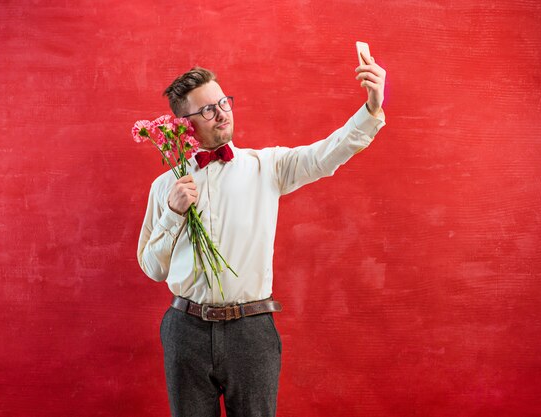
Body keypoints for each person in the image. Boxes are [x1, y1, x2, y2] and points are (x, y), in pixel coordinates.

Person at [137, 53, 386, 417]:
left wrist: (372, 108)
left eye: (223, 102)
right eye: (207, 110)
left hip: (251, 331)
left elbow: (325, 155)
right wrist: (173, 213)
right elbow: (152, 268)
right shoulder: (165, 185)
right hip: (184, 330)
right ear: (183, 124)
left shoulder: (267, 166)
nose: (221, 113)